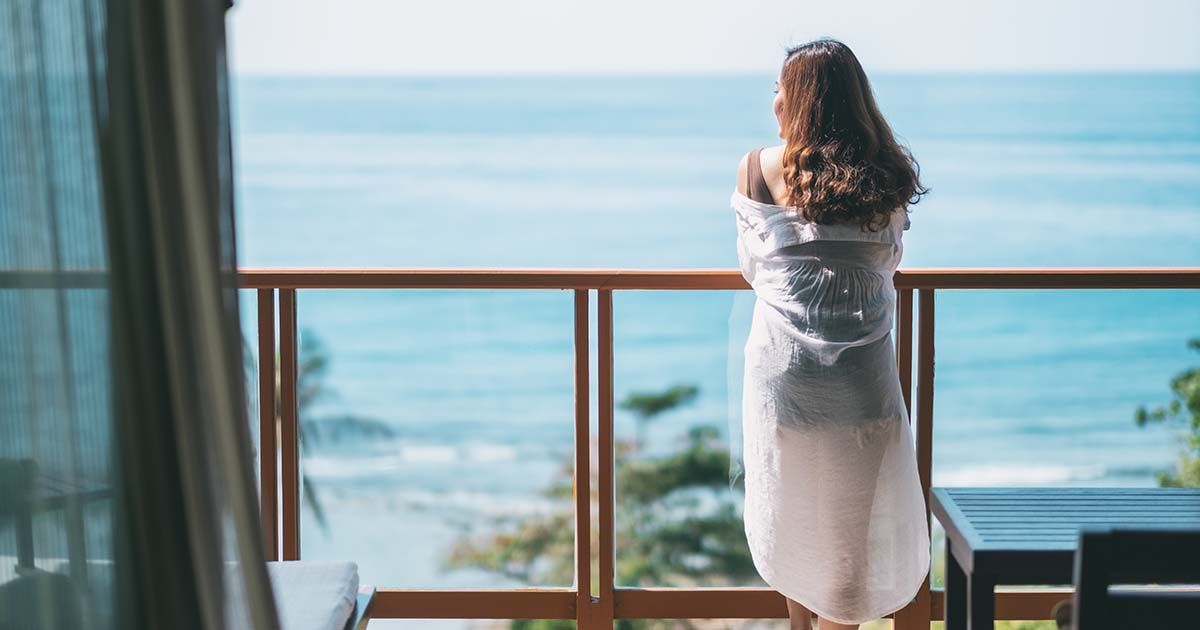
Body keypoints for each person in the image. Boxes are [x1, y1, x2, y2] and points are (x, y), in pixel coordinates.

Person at [731, 38, 930, 630]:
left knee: (792, 514)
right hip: (862, 381)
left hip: (786, 375)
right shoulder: (888, 175)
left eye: (777, 88)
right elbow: (885, 264)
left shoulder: (755, 168)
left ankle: (801, 626)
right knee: (851, 535)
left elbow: (754, 264)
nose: (772, 100)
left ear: (798, 100)